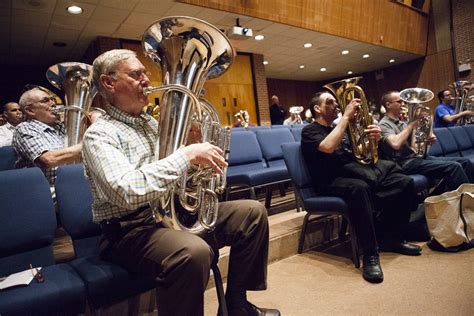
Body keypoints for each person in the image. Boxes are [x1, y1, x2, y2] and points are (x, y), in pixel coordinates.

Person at [82, 49, 279, 316]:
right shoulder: (99, 135)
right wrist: (186, 155)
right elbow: (125, 190)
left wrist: (195, 153)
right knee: (192, 252)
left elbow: (174, 175)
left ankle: (237, 306)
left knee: (252, 213)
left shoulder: (152, 124)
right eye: (136, 74)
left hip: (169, 215)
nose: (147, 80)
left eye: (145, 73)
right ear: (109, 83)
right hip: (129, 231)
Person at [301, 91, 422, 284]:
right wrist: (347, 117)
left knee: (404, 182)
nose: (336, 105)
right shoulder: (310, 131)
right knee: (360, 189)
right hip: (329, 182)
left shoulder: (341, 128)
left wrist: (373, 139)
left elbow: (360, 153)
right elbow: (327, 147)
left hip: (354, 174)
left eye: (335, 102)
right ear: (317, 109)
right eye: (330, 102)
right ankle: (370, 254)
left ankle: (394, 237)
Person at [379, 91, 470, 191]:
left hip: (416, 158)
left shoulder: (402, 123)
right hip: (403, 164)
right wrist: (413, 123)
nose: (404, 104)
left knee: (465, 162)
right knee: (454, 167)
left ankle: (458, 196)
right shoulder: (383, 124)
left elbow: (415, 147)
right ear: (388, 104)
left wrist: (426, 140)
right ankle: (465, 202)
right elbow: (395, 144)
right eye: (399, 102)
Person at [12, 87, 82, 185]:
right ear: (30, 110)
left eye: (52, 99)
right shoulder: (24, 128)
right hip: (50, 189)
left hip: (75, 180)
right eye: (45, 101)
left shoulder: (60, 125)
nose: (53, 103)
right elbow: (49, 160)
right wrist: (87, 145)